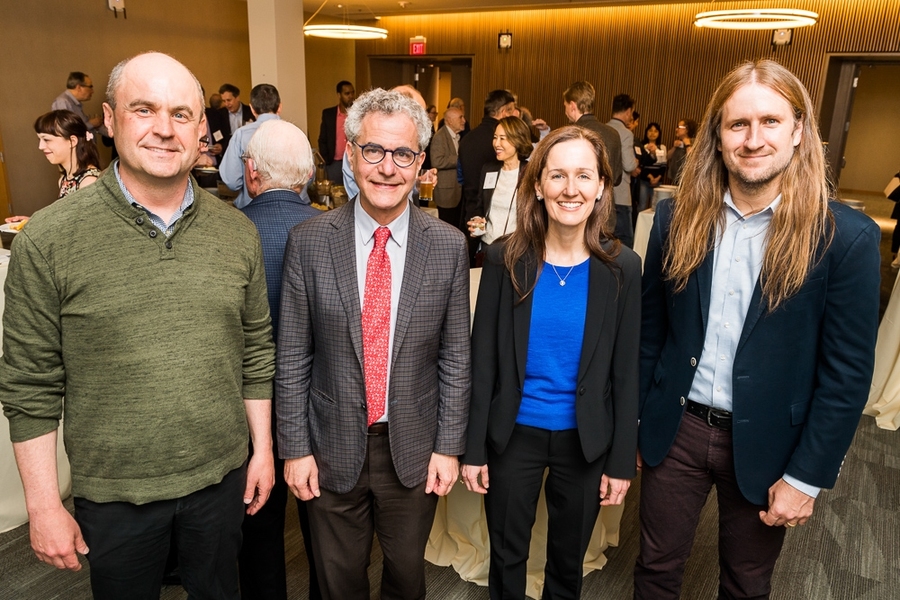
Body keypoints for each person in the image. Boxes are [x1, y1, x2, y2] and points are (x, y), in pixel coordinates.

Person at [0, 52, 276, 599]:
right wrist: (43, 504)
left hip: (221, 481)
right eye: (143, 109)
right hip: (114, 495)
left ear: (202, 129)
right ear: (108, 118)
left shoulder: (237, 231)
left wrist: (262, 450)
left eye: (180, 114)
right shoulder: (49, 239)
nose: (163, 129)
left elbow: (255, 351)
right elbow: (29, 384)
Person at [634, 59, 881, 599]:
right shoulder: (676, 219)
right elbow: (651, 333)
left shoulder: (845, 239)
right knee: (654, 568)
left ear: (797, 131)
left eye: (769, 121)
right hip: (675, 432)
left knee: (746, 583)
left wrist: (805, 477)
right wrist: (636, 420)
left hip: (770, 441)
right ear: (717, 136)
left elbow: (846, 378)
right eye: (737, 124)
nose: (752, 139)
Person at [276, 88, 471, 600]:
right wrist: (294, 448)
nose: (388, 167)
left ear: (421, 163)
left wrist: (449, 446)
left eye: (403, 154)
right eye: (374, 151)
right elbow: (293, 357)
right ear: (351, 153)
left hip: (412, 447)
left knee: (407, 580)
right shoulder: (310, 241)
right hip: (329, 443)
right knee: (338, 583)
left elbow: (455, 358)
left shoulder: (448, 247)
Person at [461, 125, 640, 599]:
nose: (570, 188)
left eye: (584, 175)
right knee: (507, 557)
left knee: (567, 564)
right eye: (557, 175)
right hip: (512, 434)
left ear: (602, 185)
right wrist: (474, 448)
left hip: (585, 441)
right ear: (538, 185)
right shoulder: (505, 259)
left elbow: (625, 372)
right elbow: (484, 362)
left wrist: (621, 460)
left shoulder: (623, 267)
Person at [239, 119, 322, 600]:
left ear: (251, 172)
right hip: (317, 398)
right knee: (325, 526)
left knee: (258, 523)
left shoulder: (231, 231)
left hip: (247, 402)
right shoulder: (332, 231)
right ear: (308, 175)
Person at [466, 116, 532, 260]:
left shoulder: (530, 173)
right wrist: (477, 220)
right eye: (495, 137)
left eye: (503, 138)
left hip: (517, 251)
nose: (496, 143)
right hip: (487, 248)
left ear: (517, 140)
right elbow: (480, 206)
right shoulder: (489, 170)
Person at [220, 83, 285, 209]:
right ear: (280, 107)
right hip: (293, 210)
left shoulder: (241, 135)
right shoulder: (296, 132)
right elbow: (309, 176)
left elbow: (232, 181)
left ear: (252, 109)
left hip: (252, 208)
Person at [563, 81, 623, 187]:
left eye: (565, 106)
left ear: (572, 106)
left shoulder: (571, 134)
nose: (565, 112)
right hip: (607, 200)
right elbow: (617, 178)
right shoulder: (613, 133)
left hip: (579, 199)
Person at [607, 94, 639, 248]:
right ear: (627, 111)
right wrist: (635, 162)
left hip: (604, 193)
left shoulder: (604, 129)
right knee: (625, 240)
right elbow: (628, 165)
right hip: (620, 194)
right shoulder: (626, 133)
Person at [430, 105, 466, 229]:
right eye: (460, 117)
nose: (464, 121)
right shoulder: (440, 137)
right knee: (446, 227)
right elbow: (437, 161)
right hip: (446, 193)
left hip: (457, 190)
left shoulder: (458, 137)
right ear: (450, 120)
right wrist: (461, 159)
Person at [318, 80, 356, 183]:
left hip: (353, 163)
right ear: (339, 95)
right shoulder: (328, 114)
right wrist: (326, 160)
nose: (351, 96)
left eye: (352, 93)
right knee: (335, 194)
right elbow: (323, 139)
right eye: (347, 93)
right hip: (334, 164)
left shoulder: (357, 115)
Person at [51, 71, 105, 136]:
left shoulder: (76, 104)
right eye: (90, 87)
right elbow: (66, 130)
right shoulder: (62, 102)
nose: (92, 91)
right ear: (79, 87)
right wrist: (91, 124)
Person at [634, 122, 667, 216]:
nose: (652, 133)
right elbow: (641, 165)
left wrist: (657, 178)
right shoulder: (642, 146)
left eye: (655, 131)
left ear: (659, 133)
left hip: (658, 181)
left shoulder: (662, 147)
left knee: (656, 207)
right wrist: (650, 177)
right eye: (650, 130)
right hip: (644, 180)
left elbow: (664, 166)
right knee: (641, 206)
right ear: (646, 132)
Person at [219, 83, 255, 156]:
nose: (226, 104)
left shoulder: (251, 112)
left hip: (247, 153)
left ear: (237, 97)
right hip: (228, 154)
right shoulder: (220, 114)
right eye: (224, 101)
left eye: (229, 100)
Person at [666, 118, 696, 185]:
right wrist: (674, 147)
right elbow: (668, 157)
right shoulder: (678, 142)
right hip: (674, 178)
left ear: (686, 129)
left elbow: (692, 159)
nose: (676, 129)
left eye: (679, 127)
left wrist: (688, 144)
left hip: (687, 181)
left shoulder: (694, 142)